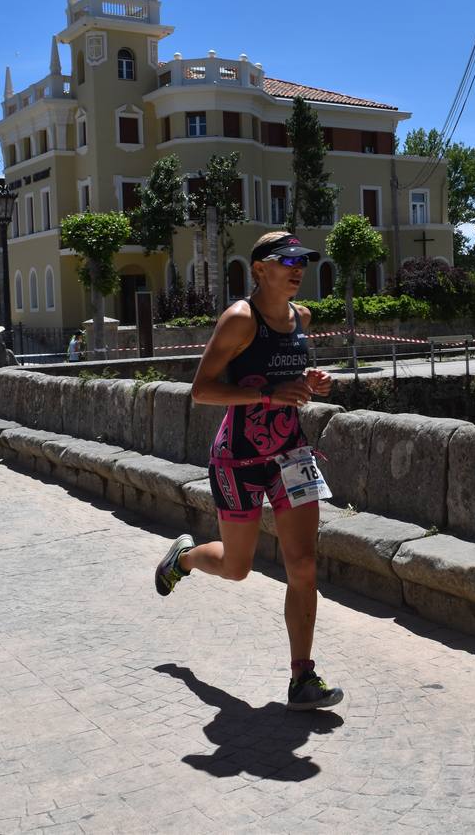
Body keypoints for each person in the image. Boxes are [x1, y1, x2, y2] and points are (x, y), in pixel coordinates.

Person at [154, 231, 341, 711]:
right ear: (260, 269)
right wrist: (269, 396)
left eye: (304, 261)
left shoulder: (303, 317)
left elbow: (288, 381)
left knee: (303, 566)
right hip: (236, 459)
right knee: (237, 569)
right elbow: (202, 390)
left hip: (291, 457)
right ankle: (186, 558)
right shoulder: (240, 319)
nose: (299, 269)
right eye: (287, 261)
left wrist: (309, 383)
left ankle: (303, 678)